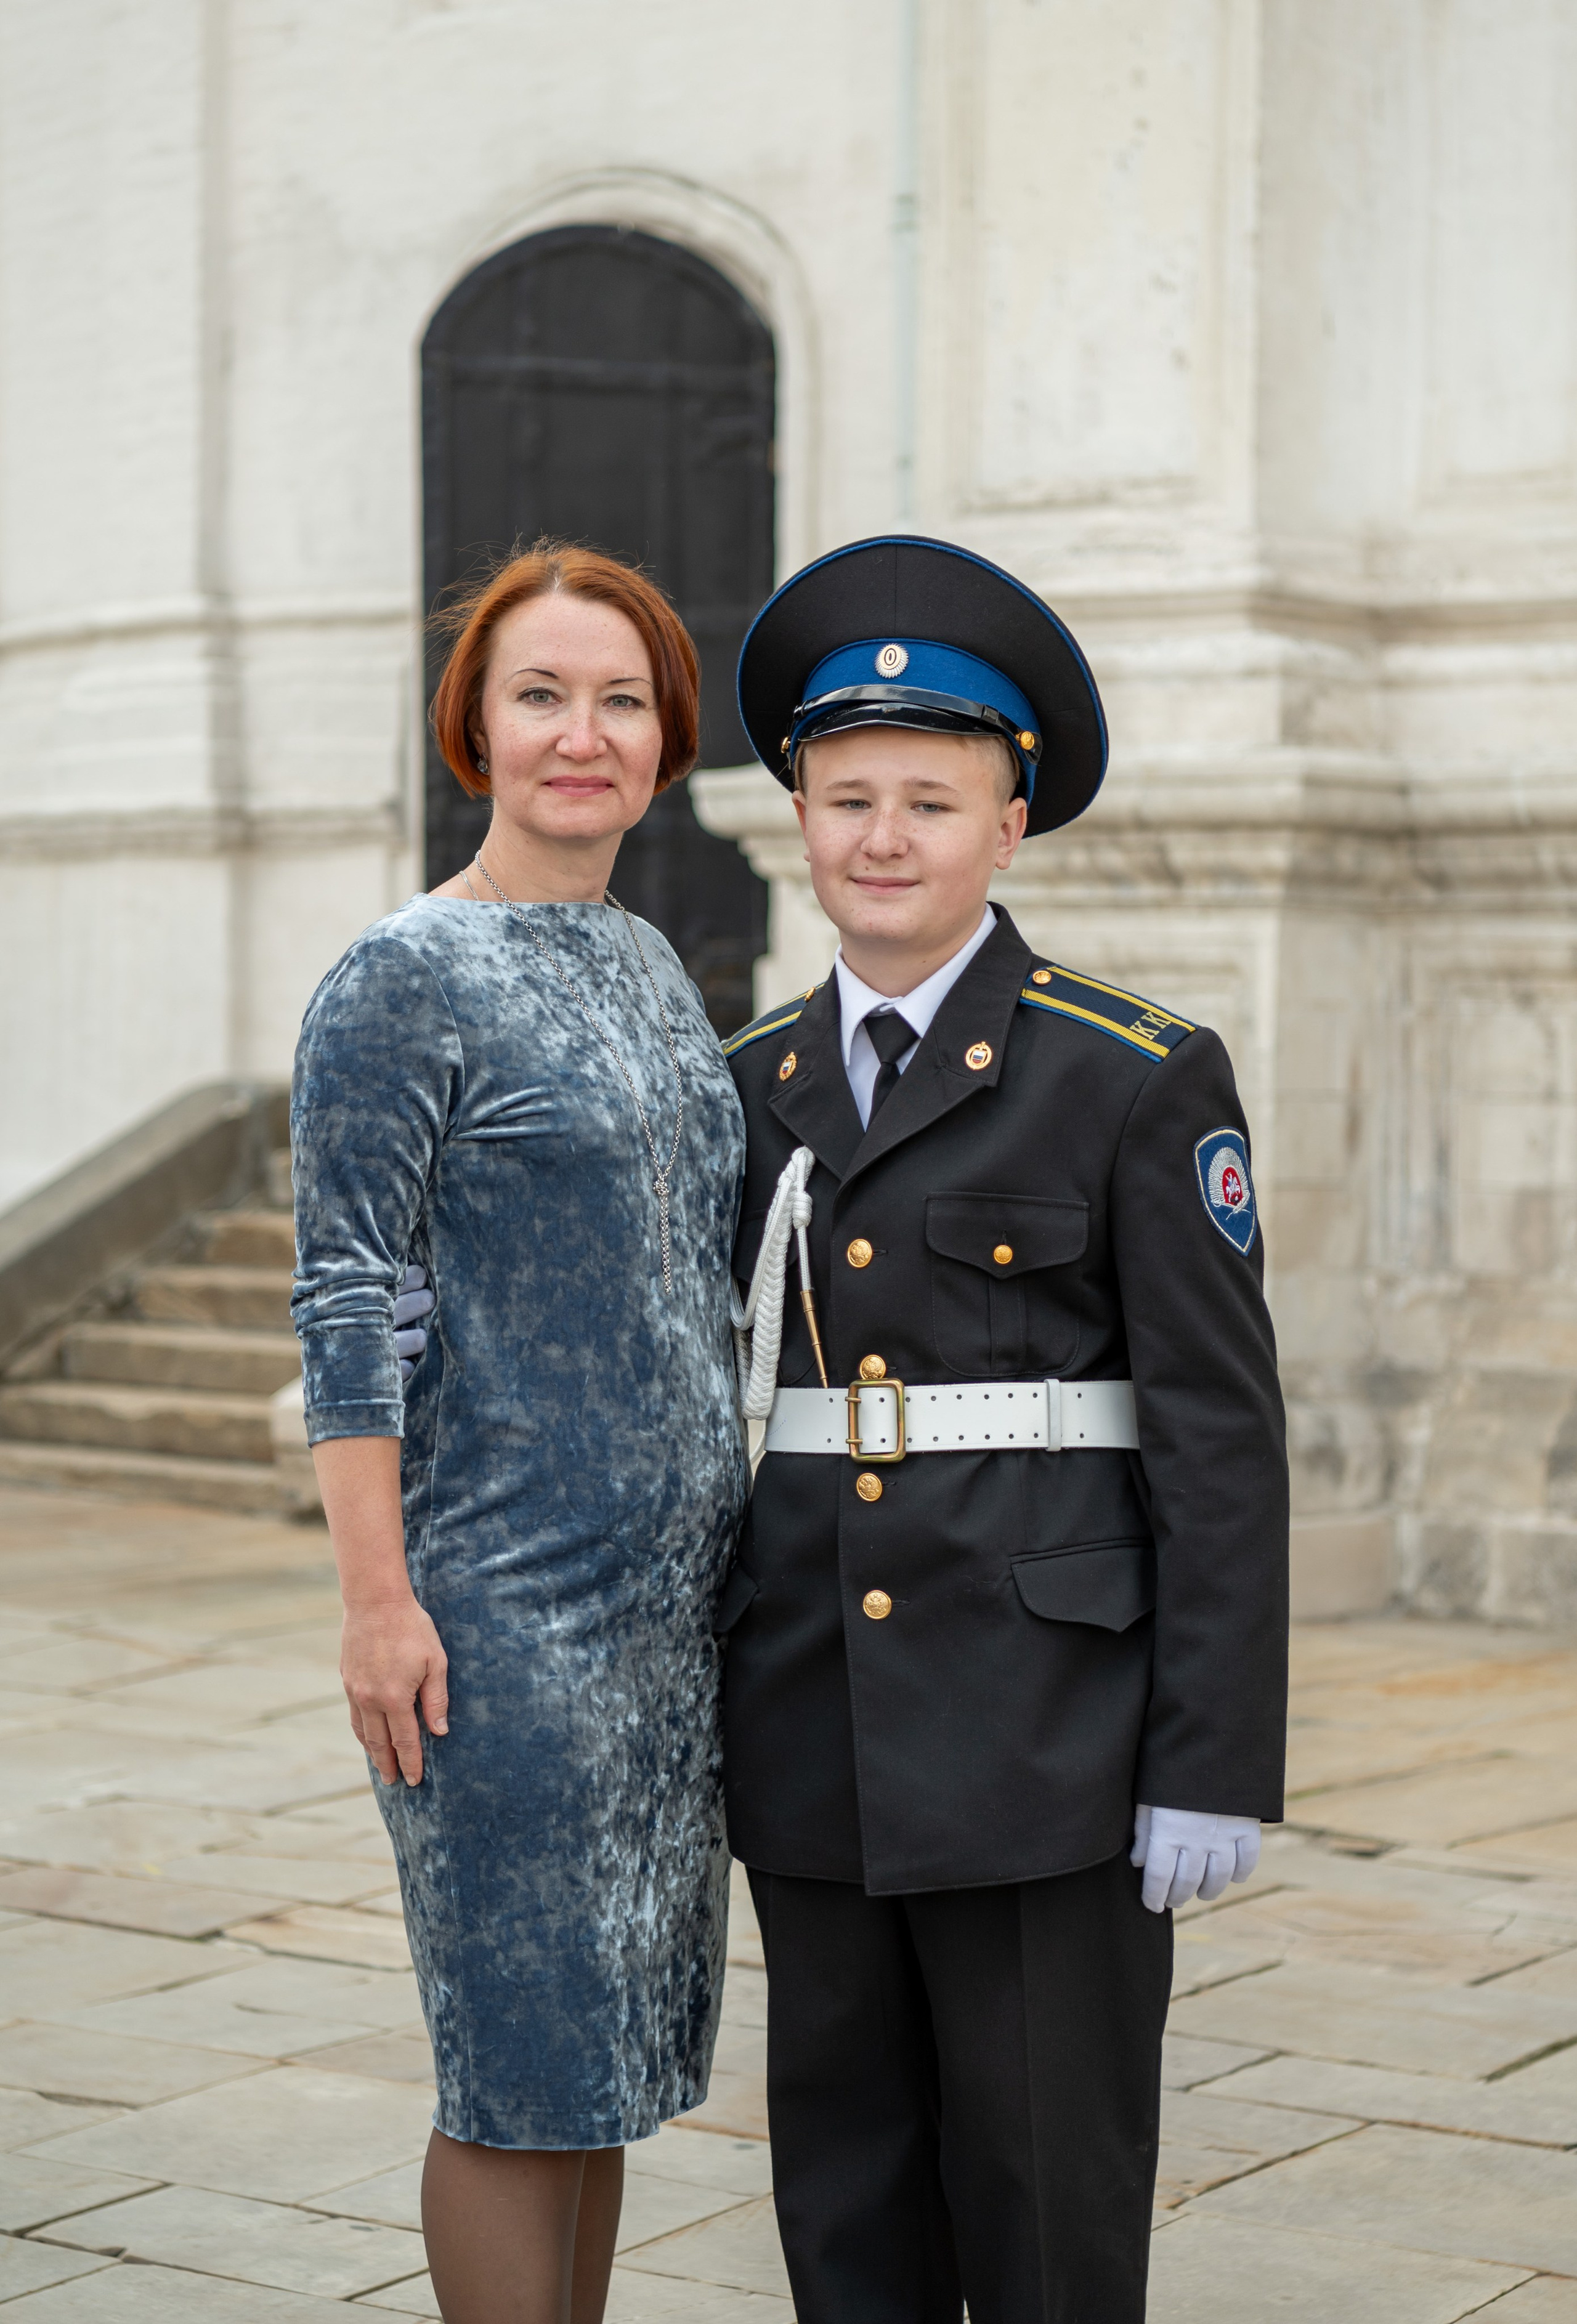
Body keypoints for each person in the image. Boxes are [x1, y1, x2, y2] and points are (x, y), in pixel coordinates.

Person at [717, 534, 1289, 2322]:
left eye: (933, 802)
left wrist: (1214, 1755)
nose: (884, 838)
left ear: (1010, 826)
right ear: (798, 814)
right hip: (816, 1737)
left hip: (1051, 1754)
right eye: (849, 795)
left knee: (1047, 2213)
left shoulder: (1129, 1073)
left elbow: (1218, 1438)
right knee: (850, 2207)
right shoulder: (749, 1087)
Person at [289, 544, 749, 2324]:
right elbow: (347, 1301)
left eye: (621, 699)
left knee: (606, 2065)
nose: (585, 733)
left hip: (671, 1625)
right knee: (514, 2069)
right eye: (542, 695)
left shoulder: (642, 957)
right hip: (505, 1620)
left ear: (667, 739)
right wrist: (377, 1603)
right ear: (475, 727)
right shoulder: (403, 977)